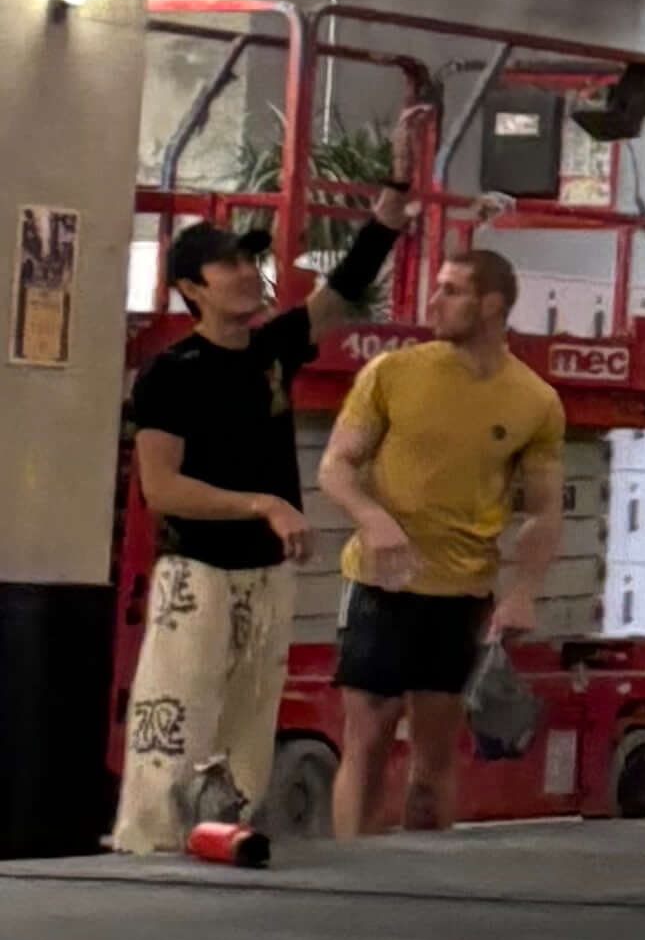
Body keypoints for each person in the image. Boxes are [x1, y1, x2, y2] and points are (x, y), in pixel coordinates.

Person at [109, 187, 411, 858]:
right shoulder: (170, 373)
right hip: (198, 574)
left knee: (248, 728)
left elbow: (345, 288)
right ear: (193, 287)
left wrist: (391, 206)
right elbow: (161, 488)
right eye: (229, 266)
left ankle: (225, 841)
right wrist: (263, 503)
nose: (248, 273)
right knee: (176, 719)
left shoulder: (275, 347)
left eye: (251, 261)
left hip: (267, 574)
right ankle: (149, 851)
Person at [313, 250, 569, 835]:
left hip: (461, 595)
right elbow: (336, 466)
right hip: (380, 584)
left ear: (492, 304)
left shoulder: (535, 401)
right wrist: (371, 519)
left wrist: (524, 591)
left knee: (432, 762)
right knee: (369, 740)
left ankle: (427, 891)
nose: (434, 301)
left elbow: (544, 509)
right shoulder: (391, 372)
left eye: (451, 290)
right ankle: (348, 880)